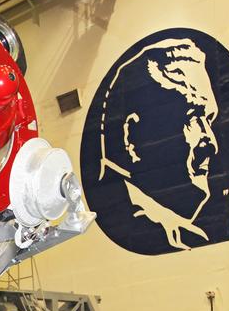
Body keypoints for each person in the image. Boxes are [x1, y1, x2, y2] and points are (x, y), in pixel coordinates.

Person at [92, 37, 220, 251]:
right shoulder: (138, 221)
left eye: (208, 120)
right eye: (193, 119)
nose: (211, 143)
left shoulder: (177, 230)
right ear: (131, 136)